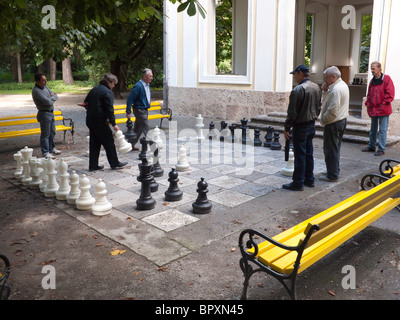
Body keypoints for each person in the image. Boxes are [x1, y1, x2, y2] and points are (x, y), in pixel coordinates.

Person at [282, 65, 321, 191]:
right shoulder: (316, 87)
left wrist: (287, 127)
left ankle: (298, 182)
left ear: (300, 73)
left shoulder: (298, 90)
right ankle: (309, 179)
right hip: (311, 124)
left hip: (301, 126)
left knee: (300, 155)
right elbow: (318, 107)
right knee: (308, 153)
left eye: (295, 74)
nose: (294, 77)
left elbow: (292, 112)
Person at [83, 73, 127, 171]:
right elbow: (109, 110)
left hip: (90, 120)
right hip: (100, 121)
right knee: (109, 142)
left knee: (95, 142)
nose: (114, 86)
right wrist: (114, 124)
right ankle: (114, 163)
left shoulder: (94, 89)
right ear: (110, 82)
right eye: (114, 83)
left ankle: (93, 165)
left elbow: (85, 103)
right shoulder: (108, 92)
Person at [319, 66, 349, 182]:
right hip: (340, 121)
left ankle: (332, 175)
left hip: (334, 122)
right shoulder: (342, 85)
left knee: (330, 149)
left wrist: (324, 120)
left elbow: (333, 109)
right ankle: (333, 170)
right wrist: (325, 91)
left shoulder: (336, 89)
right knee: (335, 148)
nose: (325, 80)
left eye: (326, 77)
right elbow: (329, 102)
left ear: (334, 77)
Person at [362, 61, 395, 156]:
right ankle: (371, 146)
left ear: (379, 69)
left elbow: (390, 94)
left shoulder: (387, 79)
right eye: (371, 69)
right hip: (374, 109)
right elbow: (369, 94)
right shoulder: (372, 81)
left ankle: (381, 148)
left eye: (373, 69)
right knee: (373, 129)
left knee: (382, 130)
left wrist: (383, 103)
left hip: (383, 109)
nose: (372, 71)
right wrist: (368, 103)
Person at [32, 73, 62, 157]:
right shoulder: (36, 91)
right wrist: (50, 98)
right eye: (43, 80)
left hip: (50, 112)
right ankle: (45, 152)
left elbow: (55, 95)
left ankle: (51, 148)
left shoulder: (45, 87)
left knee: (52, 132)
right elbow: (48, 102)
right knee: (45, 134)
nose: (45, 81)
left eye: (45, 79)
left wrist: (51, 98)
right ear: (37, 81)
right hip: (44, 113)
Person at [126, 68, 154, 150]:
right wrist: (128, 111)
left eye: (152, 76)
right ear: (145, 77)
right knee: (146, 128)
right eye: (150, 76)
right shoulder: (138, 86)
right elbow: (130, 99)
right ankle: (154, 147)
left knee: (138, 128)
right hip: (139, 110)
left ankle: (130, 145)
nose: (151, 78)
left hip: (144, 109)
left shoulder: (147, 85)